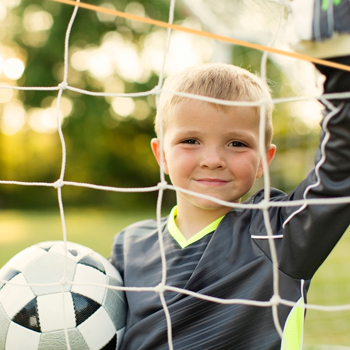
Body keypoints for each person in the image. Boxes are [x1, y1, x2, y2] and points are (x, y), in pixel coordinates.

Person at [110, 1, 350, 349]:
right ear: (161, 154)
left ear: (264, 160)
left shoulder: (278, 235)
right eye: (190, 140)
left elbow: (339, 169)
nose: (212, 159)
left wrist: (339, 64)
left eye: (236, 143)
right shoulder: (129, 247)